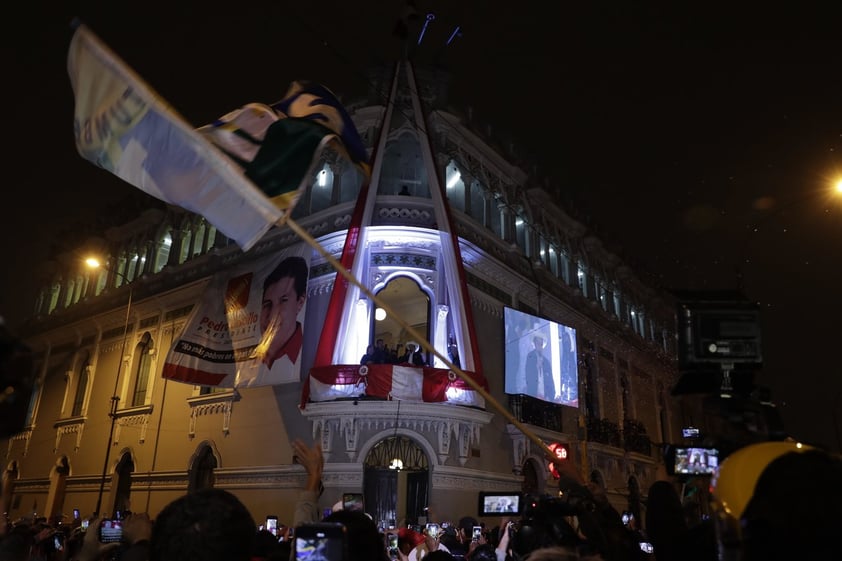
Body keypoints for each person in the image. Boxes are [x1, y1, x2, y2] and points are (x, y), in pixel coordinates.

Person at [255, 255, 309, 383]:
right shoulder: (250, 363)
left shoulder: (307, 354)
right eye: (267, 304)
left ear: (300, 302)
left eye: (283, 301)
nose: (272, 315)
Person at [524, 335, 556, 401]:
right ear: (534, 344)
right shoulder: (530, 356)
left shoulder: (546, 362)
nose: (539, 345)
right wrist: (536, 366)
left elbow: (550, 380)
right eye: (538, 343)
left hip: (545, 397)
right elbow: (528, 375)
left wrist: (550, 396)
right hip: (533, 394)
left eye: (541, 344)